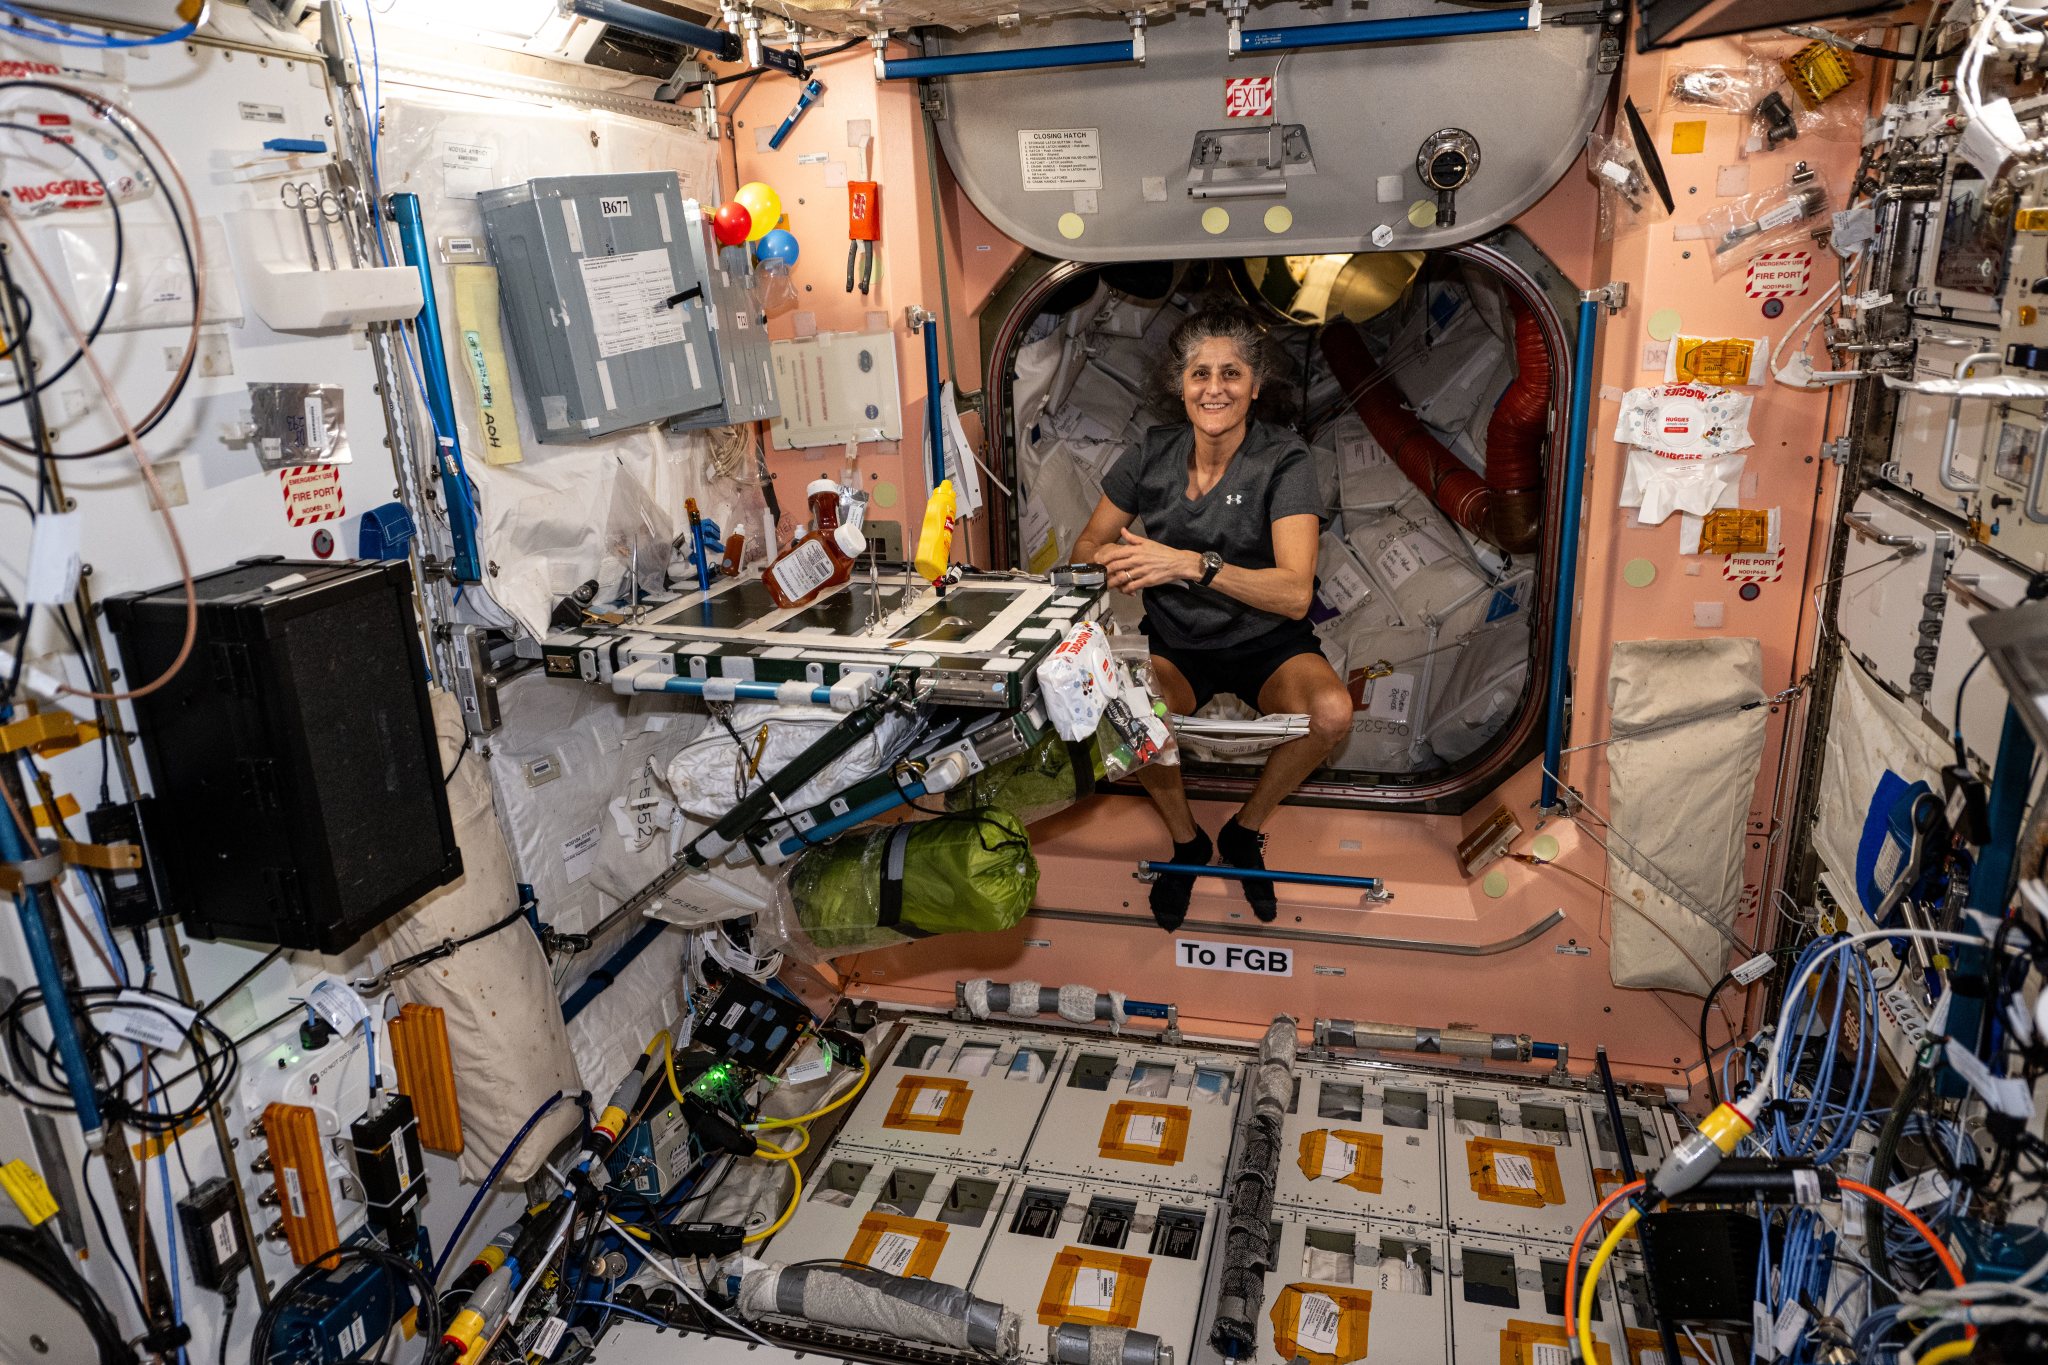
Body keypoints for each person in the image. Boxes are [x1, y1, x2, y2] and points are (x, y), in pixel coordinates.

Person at [1071, 306, 1352, 930]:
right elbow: (1085, 548)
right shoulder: (1151, 452)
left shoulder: (1285, 460)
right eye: (1200, 374)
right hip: (1176, 642)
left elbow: (1294, 594)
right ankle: (1187, 842)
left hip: (1267, 640)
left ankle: (1245, 831)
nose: (1214, 388)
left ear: (1256, 385)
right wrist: (1119, 562)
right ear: (1180, 384)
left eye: (1232, 373)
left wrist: (1189, 565)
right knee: (1134, 721)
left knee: (1332, 713)